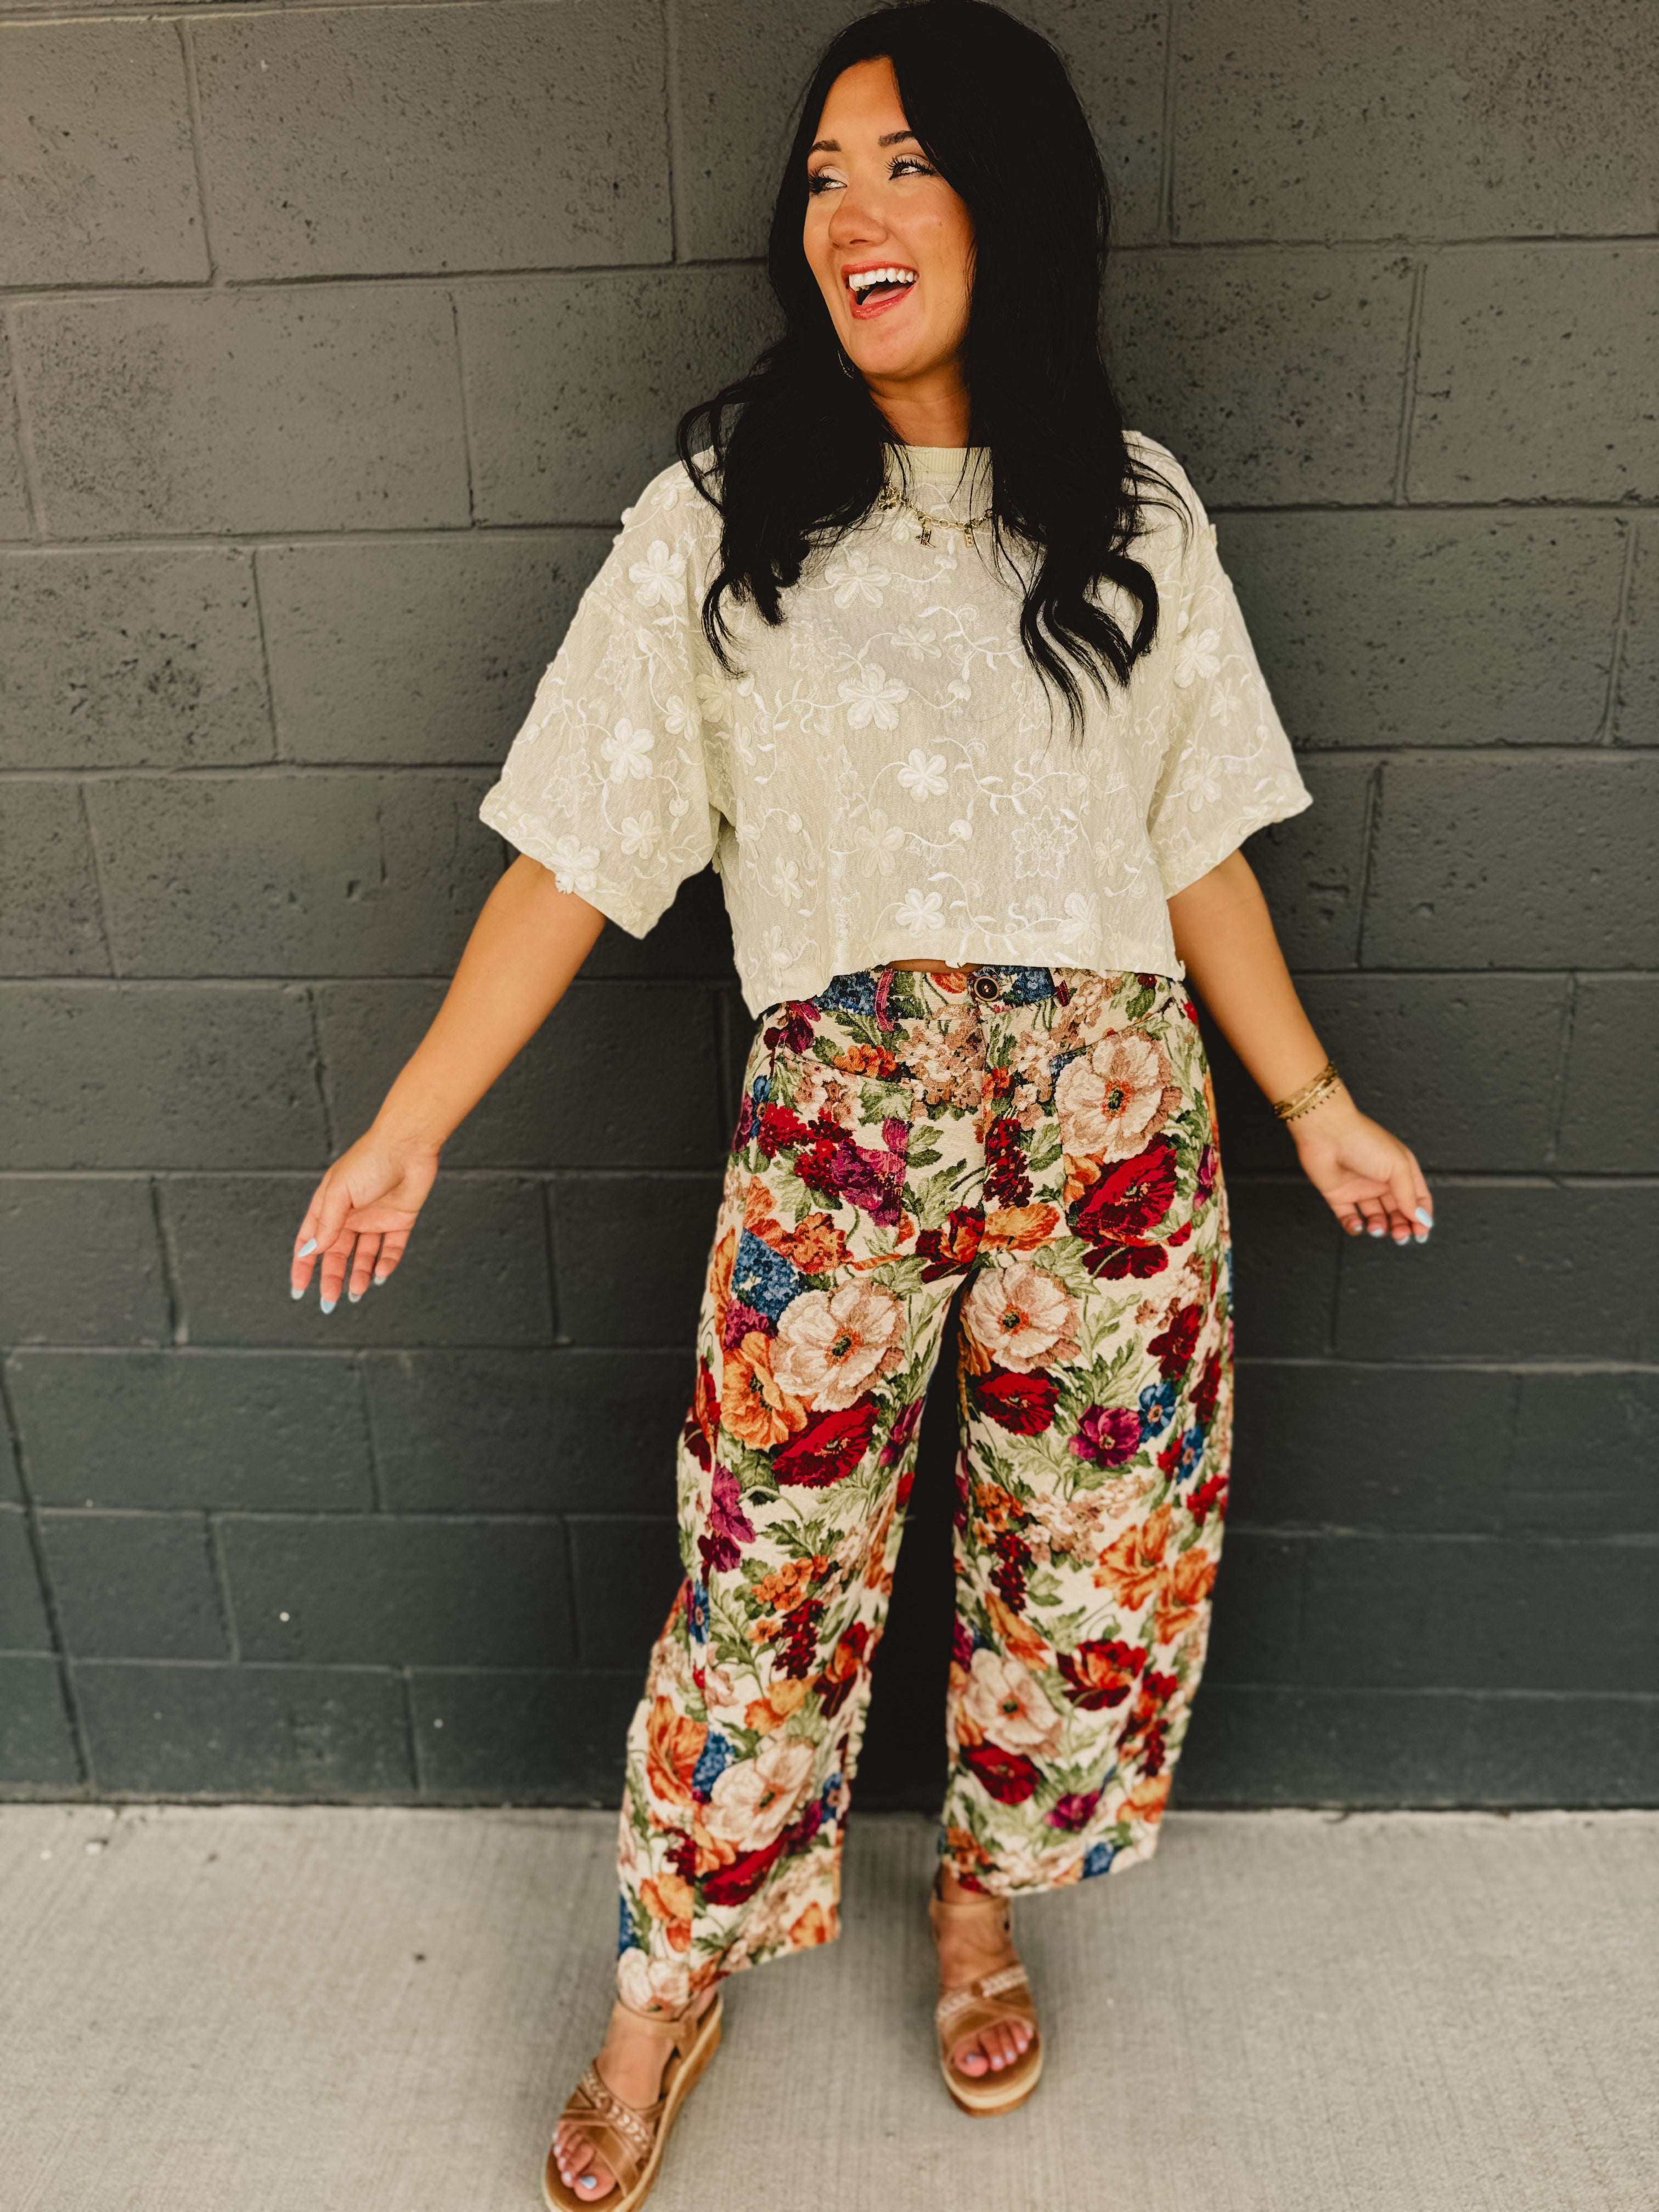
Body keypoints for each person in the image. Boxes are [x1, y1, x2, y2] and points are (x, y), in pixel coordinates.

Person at [288, 4, 1434, 2203]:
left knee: (1083, 1565)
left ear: (1009, 198)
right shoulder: (724, 518)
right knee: (763, 1577)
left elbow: (1199, 843)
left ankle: (980, 1894)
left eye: (905, 161)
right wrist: (414, 1120)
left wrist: (1310, 1099)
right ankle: (667, 1969)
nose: (857, 213)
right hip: (841, 1129)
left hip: (1116, 1129)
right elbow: (575, 847)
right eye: (824, 175)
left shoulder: (1138, 512)